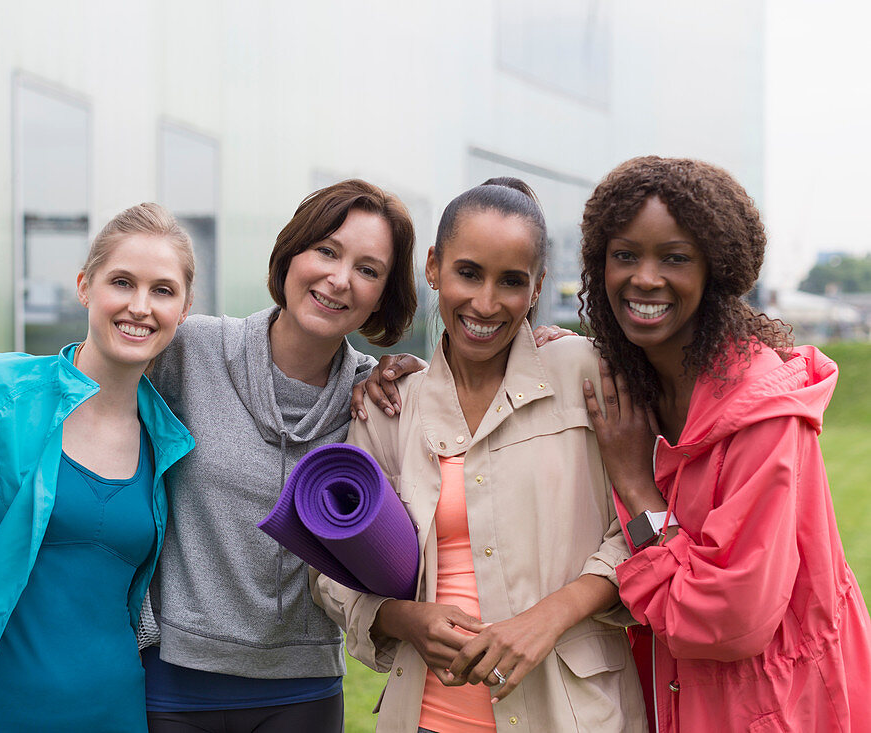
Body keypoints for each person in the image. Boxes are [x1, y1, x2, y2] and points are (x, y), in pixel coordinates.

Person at [314, 178, 647, 732]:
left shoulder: (590, 376)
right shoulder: (393, 403)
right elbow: (330, 567)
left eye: (512, 282)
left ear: (538, 287)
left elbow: (646, 530)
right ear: (433, 268)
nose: (486, 304)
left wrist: (548, 617)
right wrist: (403, 618)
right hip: (425, 719)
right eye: (468, 273)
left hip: (574, 717)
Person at [578, 155, 871, 732]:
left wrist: (636, 485)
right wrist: (390, 374)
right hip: (667, 698)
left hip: (776, 709)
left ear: (717, 269)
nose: (644, 277)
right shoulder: (627, 382)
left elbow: (729, 617)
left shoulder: (763, 415)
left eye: (676, 257)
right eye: (625, 255)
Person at [139, 179, 419, 732]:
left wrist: (555, 346)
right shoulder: (189, 352)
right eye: (327, 251)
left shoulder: (381, 398)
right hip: (175, 683)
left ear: (383, 295)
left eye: (368, 269)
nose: (339, 280)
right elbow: (83, 375)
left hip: (304, 689)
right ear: (292, 252)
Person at [0, 204, 195, 732]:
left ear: (184, 306)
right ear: (85, 287)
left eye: (162, 290)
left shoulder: (168, 440)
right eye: (122, 282)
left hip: (115, 710)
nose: (139, 306)